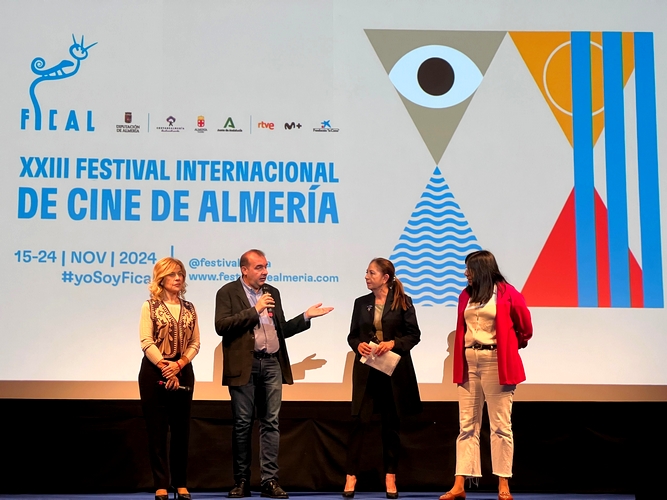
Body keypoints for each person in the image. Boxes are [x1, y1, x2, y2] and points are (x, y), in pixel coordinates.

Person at [215, 249, 334, 499]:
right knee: (243, 424)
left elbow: (282, 330)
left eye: (266, 266)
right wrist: (255, 310)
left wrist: (305, 317)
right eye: (259, 267)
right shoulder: (227, 292)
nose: (265, 272)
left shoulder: (272, 292)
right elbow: (222, 326)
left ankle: (269, 481)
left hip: (271, 364)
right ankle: (242, 481)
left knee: (271, 422)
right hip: (244, 365)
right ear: (244, 270)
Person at [440, 250, 533, 500]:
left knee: (500, 426)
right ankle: (459, 484)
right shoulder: (466, 295)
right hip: (469, 361)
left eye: (469, 268)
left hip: (496, 360)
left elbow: (525, 328)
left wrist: (510, 346)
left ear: (482, 269)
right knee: (467, 425)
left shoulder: (508, 293)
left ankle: (503, 483)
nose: (465, 273)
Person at [344, 258, 422, 499]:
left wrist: (393, 343)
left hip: (392, 370)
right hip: (367, 369)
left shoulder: (403, 301)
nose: (366, 277)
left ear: (385, 278)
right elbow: (352, 336)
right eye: (366, 272)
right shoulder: (361, 303)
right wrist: (358, 346)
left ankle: (390, 475)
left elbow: (413, 335)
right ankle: (351, 475)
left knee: (391, 425)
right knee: (360, 422)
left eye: (372, 273)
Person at [139, 257, 200, 500]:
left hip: (183, 369)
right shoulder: (150, 306)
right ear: (161, 279)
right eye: (172, 274)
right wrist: (166, 367)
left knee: (181, 430)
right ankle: (161, 484)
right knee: (157, 431)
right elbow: (146, 341)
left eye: (180, 274)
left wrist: (180, 364)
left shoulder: (190, 308)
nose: (178, 278)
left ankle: (180, 483)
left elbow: (195, 342)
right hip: (155, 370)